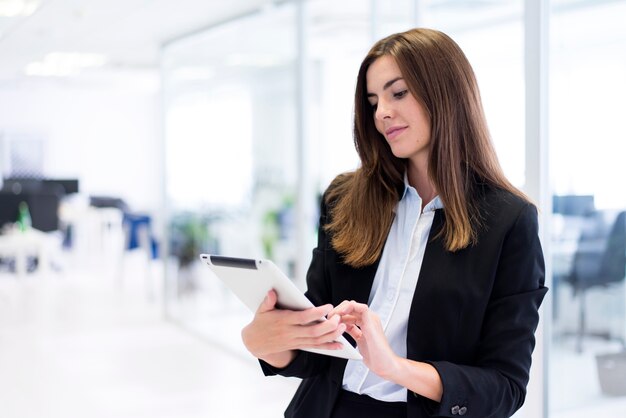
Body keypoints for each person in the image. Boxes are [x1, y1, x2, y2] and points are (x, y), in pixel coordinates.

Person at [241, 27, 548, 418]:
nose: (382, 112)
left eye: (397, 93)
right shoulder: (344, 199)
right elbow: (319, 351)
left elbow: (505, 387)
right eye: (373, 101)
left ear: (446, 93)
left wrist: (394, 368)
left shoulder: (509, 221)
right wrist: (267, 342)